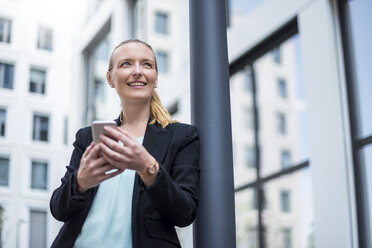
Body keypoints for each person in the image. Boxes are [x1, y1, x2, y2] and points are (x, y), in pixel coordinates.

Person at [50, 39, 200, 248]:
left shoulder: (182, 137)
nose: (137, 71)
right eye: (126, 64)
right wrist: (80, 182)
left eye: (147, 64)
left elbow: (185, 213)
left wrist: (148, 168)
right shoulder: (88, 138)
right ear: (110, 78)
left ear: (155, 77)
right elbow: (59, 210)